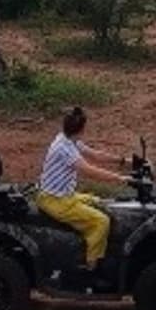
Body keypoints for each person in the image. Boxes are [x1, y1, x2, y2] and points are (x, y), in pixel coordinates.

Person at [34, 105, 130, 268]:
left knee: (99, 202)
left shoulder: (67, 140)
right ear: (82, 129)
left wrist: (124, 161)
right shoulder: (65, 149)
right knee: (101, 222)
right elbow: (89, 171)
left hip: (63, 195)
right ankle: (92, 264)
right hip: (56, 201)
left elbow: (95, 155)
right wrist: (121, 179)